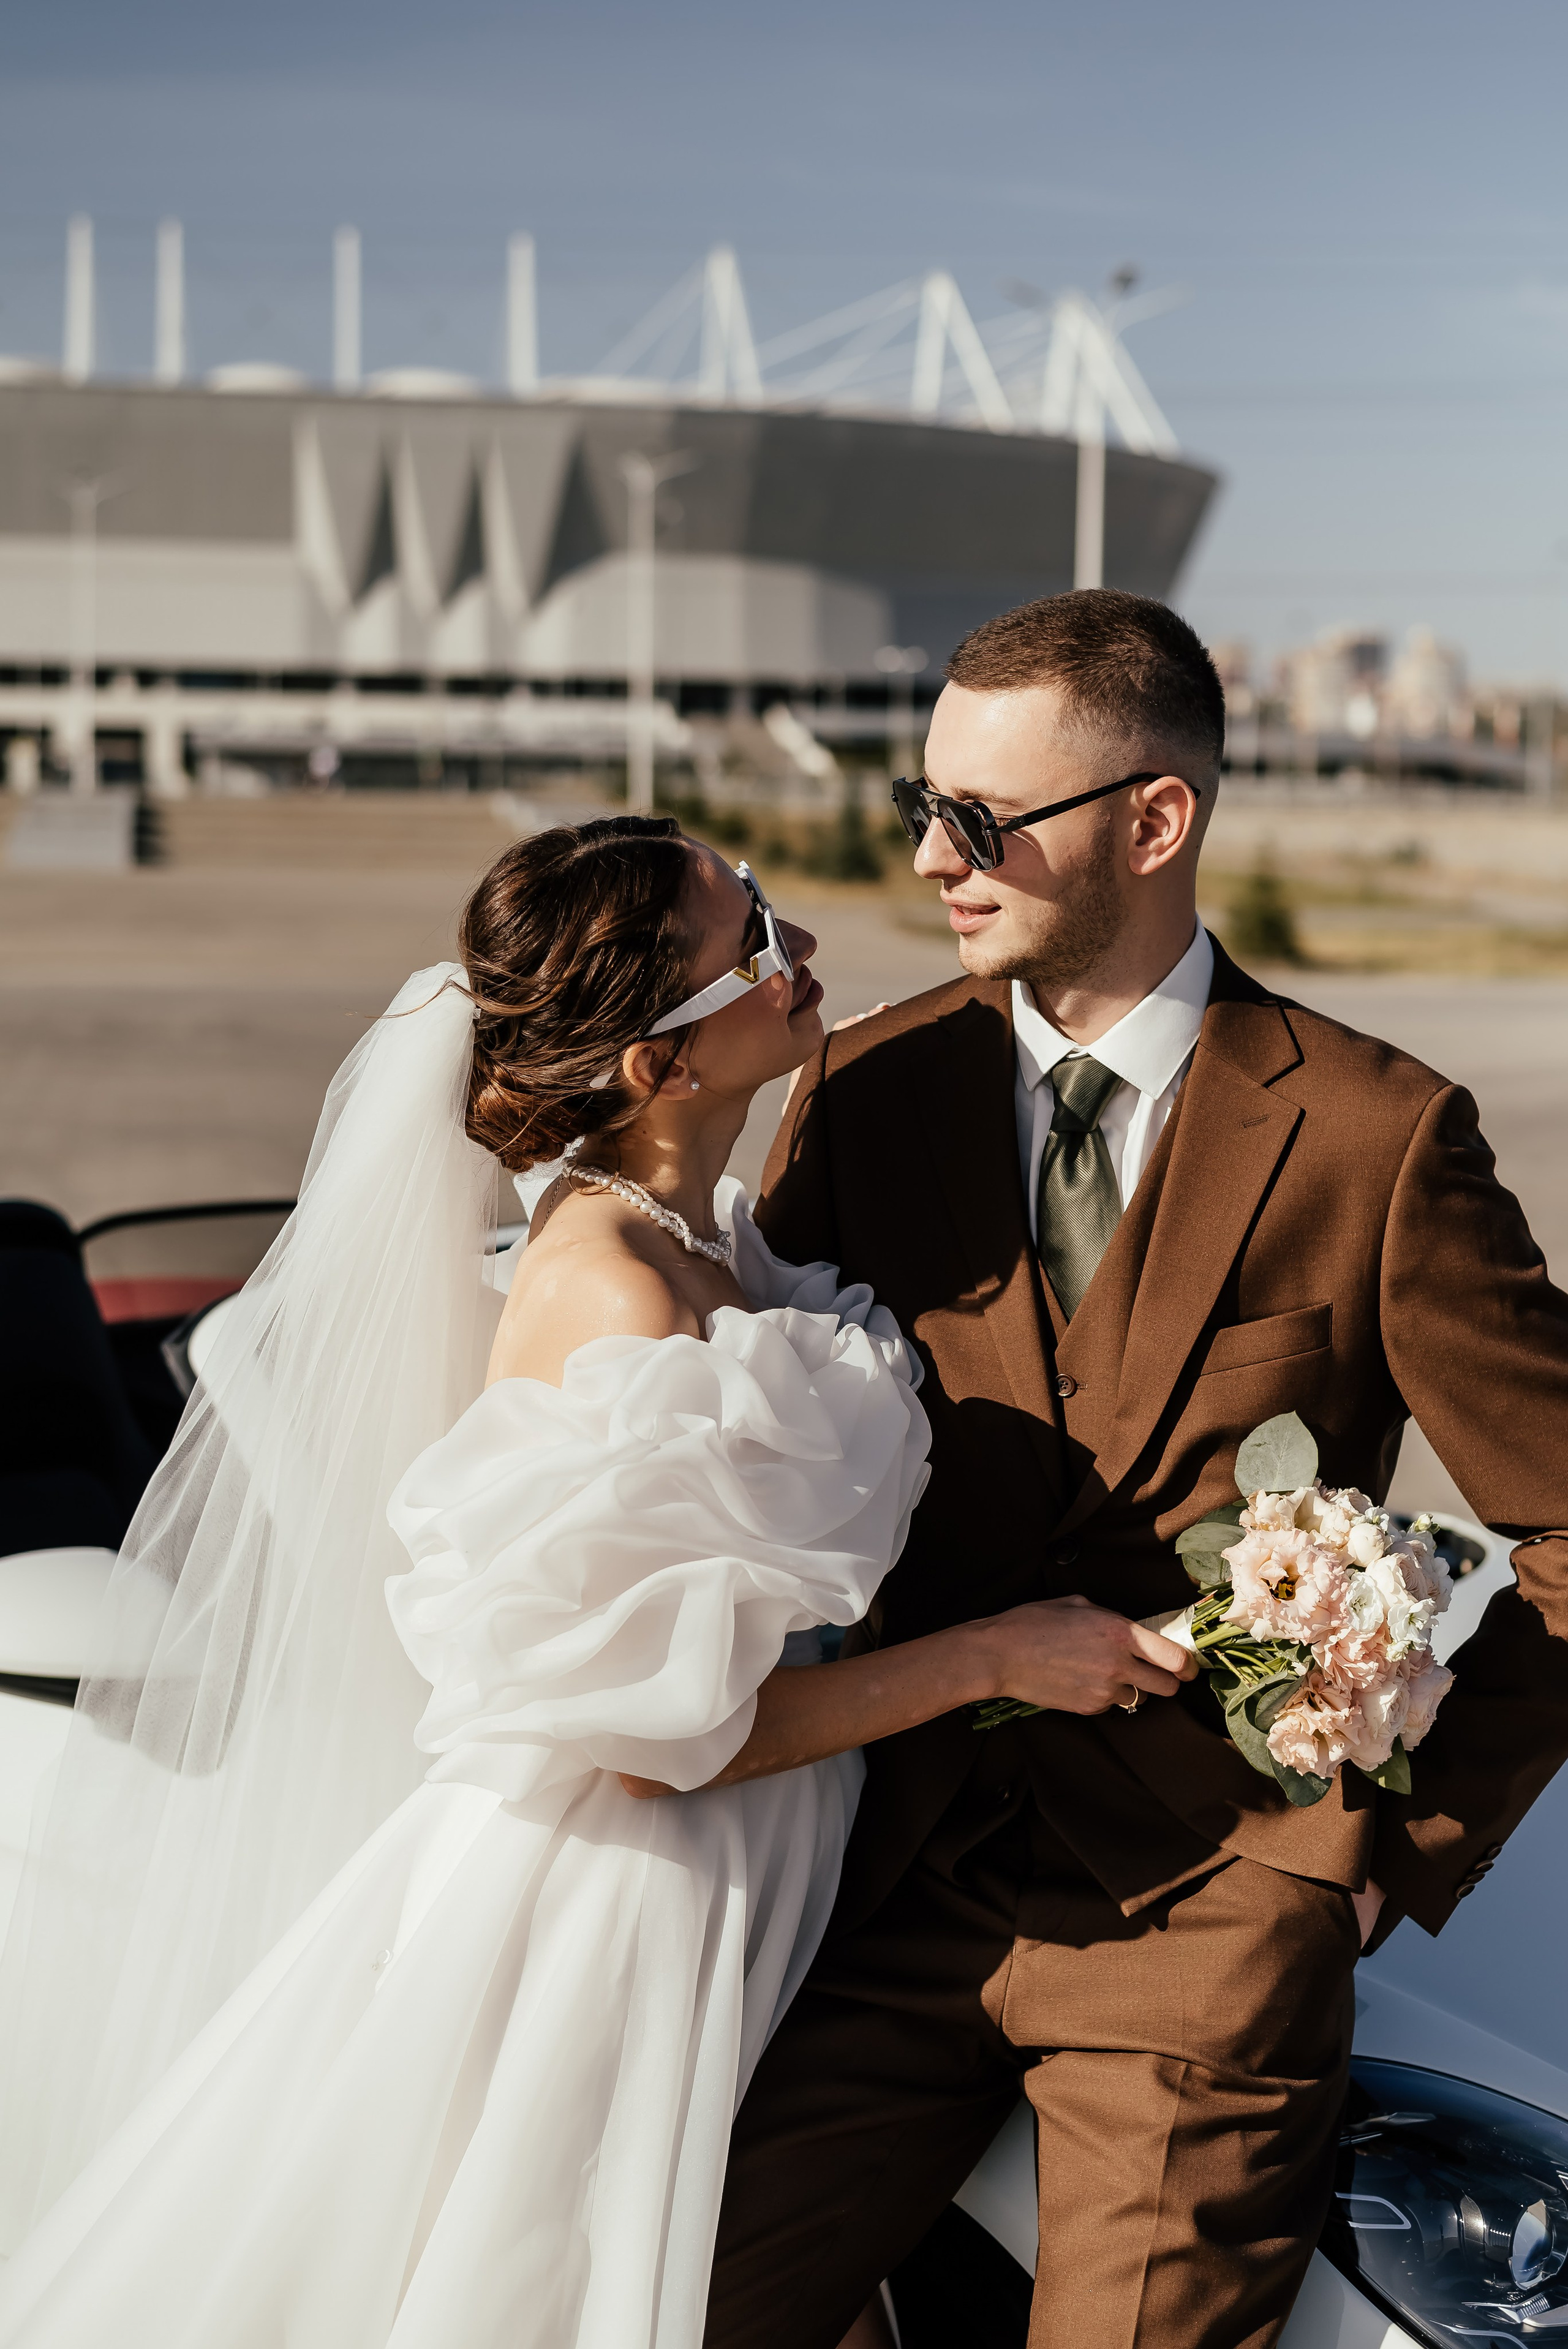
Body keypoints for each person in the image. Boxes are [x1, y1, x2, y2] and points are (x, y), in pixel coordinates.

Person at [0, 815, 1194, 2349]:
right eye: (750, 939)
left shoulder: (703, 1232)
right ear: (657, 1064)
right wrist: (994, 1658)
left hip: (773, 1856)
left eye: (763, 900)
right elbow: (641, 1748)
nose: (798, 946)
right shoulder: (614, 1291)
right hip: (636, 1905)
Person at [704, 589, 1568, 2349]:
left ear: (1155, 819)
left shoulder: (1377, 1137)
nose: (932, 860)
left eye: (979, 820)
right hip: (880, 1895)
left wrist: (1388, 1850)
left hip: (1210, 1928)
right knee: (658, 2303)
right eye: (922, 808)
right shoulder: (864, 1093)